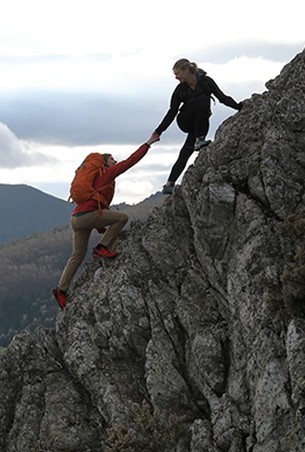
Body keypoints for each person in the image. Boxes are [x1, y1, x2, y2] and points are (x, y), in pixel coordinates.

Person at [51, 132, 161, 309]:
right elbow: (130, 161)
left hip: (76, 218)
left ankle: (61, 290)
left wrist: (101, 223)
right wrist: (148, 143)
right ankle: (102, 247)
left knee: (77, 255)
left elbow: (97, 207)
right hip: (86, 217)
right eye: (112, 159)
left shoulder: (95, 180)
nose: (115, 162)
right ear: (105, 163)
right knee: (122, 218)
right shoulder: (106, 174)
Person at [155, 58, 244, 194]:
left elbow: (222, 98)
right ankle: (199, 139)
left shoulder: (206, 82)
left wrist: (239, 107)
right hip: (185, 120)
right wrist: (159, 131)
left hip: (200, 123)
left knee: (185, 152)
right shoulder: (180, 90)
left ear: (186, 71)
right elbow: (172, 112)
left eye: (177, 73)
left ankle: (169, 183)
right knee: (202, 102)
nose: (176, 77)